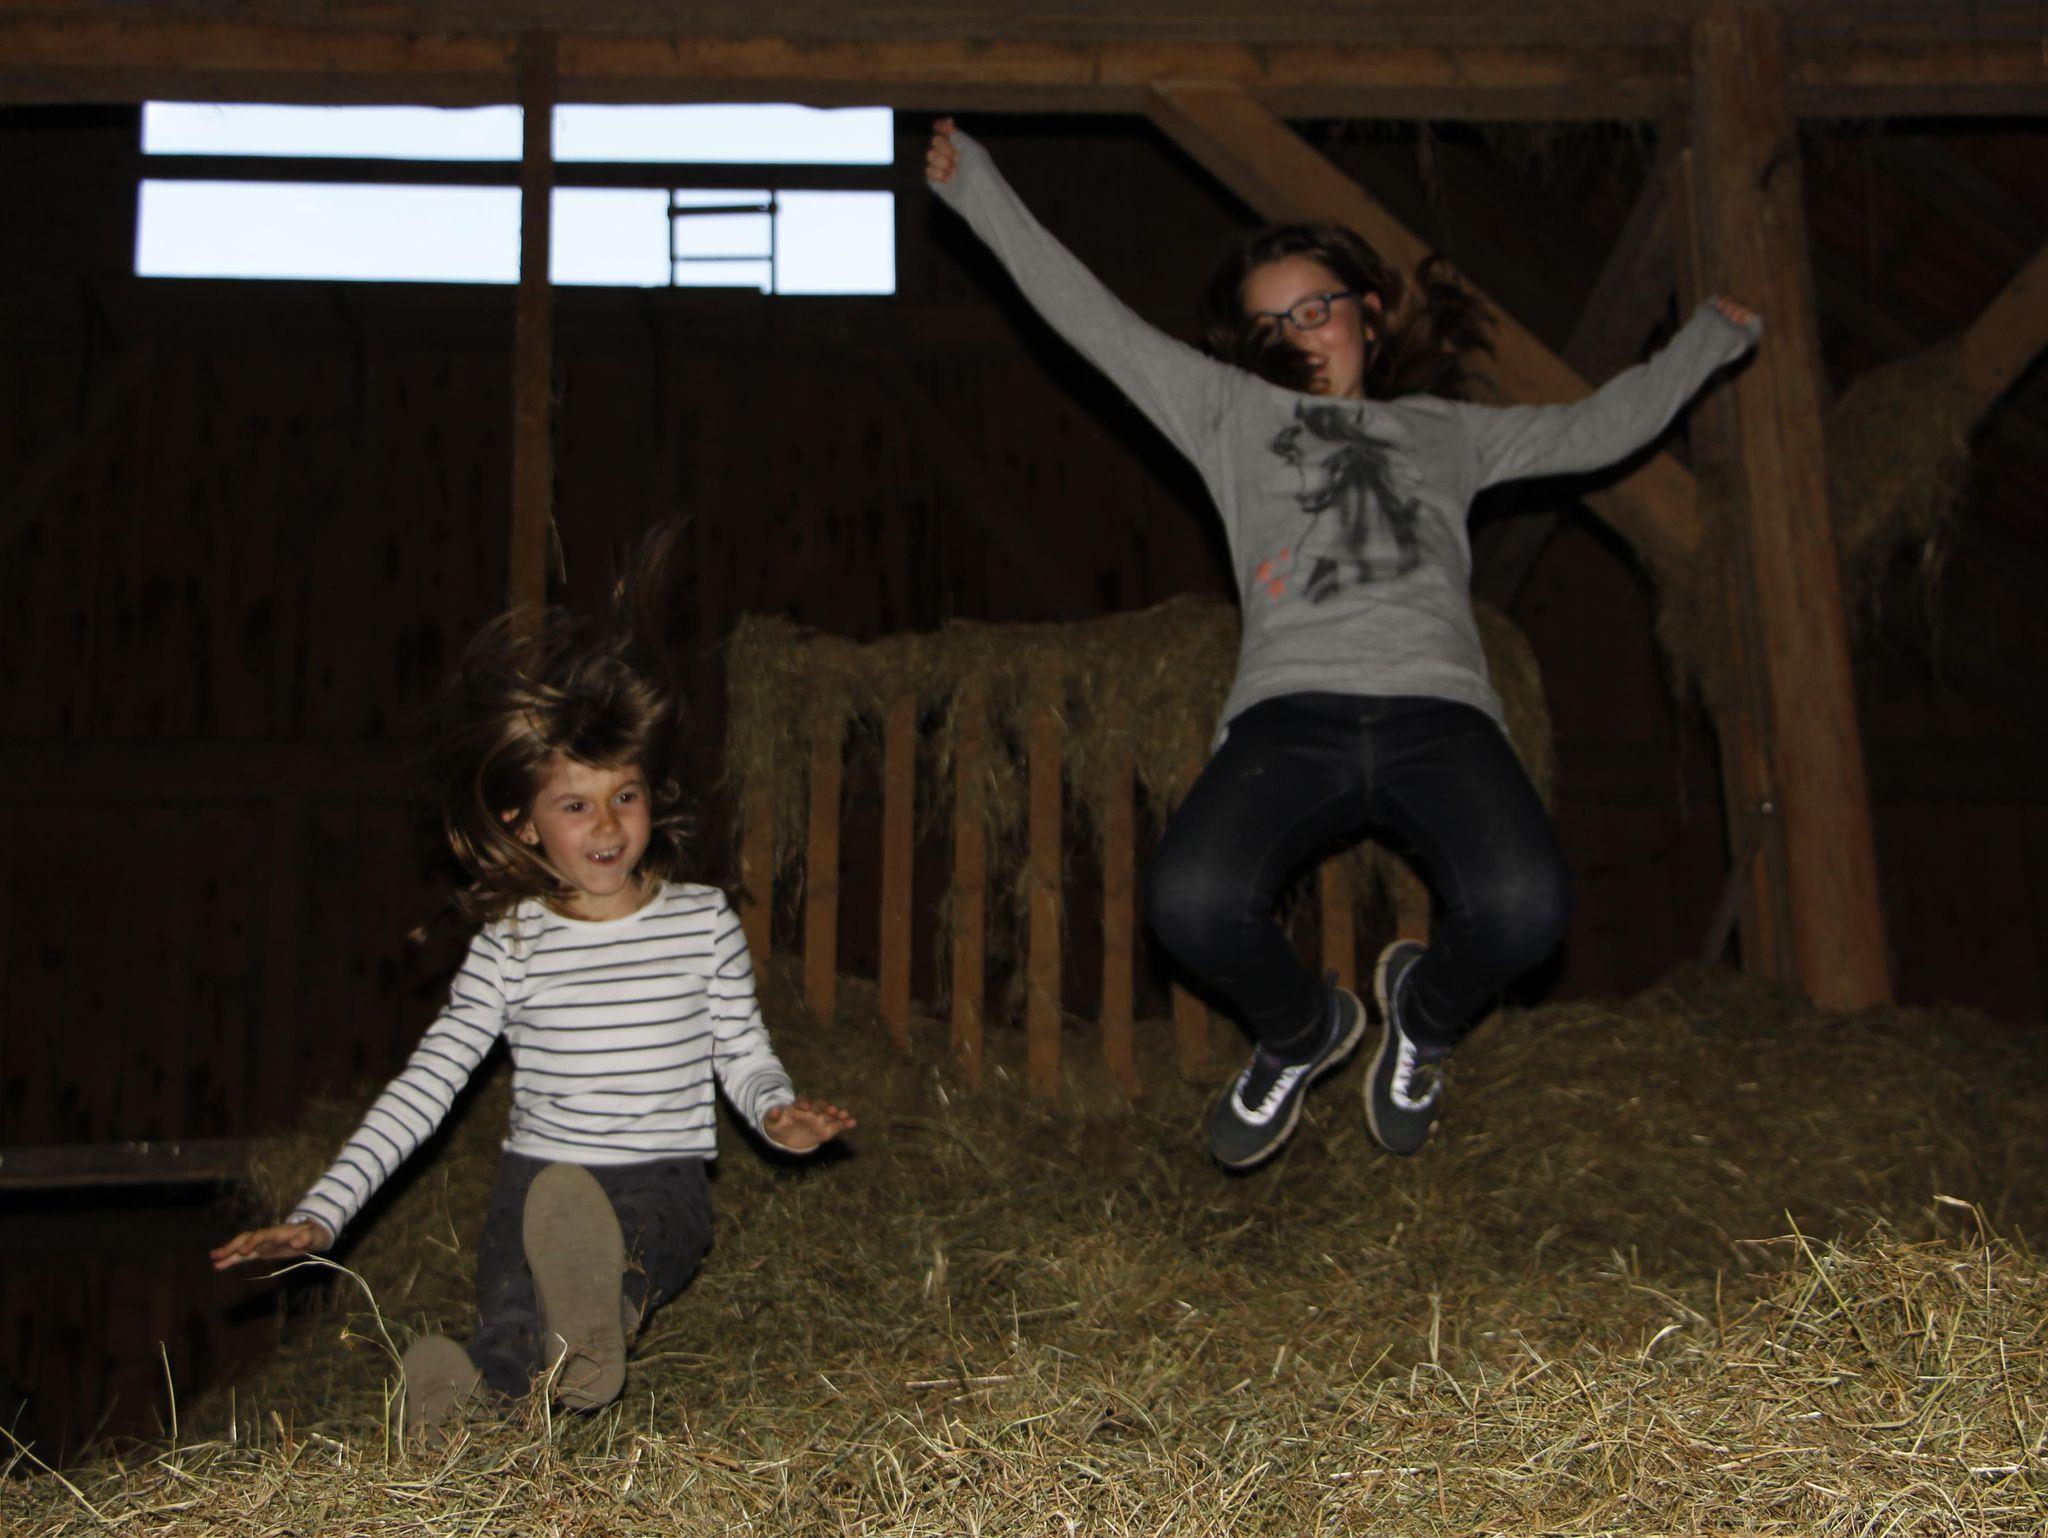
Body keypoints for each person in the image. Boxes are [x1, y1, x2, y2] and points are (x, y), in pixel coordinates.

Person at [926, 119, 1759, 1169]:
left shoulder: (1447, 432)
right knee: (1189, 901)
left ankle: (1424, 1014)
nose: (1299, 334)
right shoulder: (1227, 413)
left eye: (1315, 308)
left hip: (1441, 716)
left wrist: (1702, 344)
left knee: (1526, 907)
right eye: (1270, 322)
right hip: (1292, 714)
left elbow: (1593, 429)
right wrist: (980, 191)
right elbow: (1091, 320)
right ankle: (1301, 1029)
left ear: (1367, 311)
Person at [213, 606, 855, 1433]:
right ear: (524, 823)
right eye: (576, 804)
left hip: (659, 1178)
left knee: (617, 1251)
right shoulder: (510, 943)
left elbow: (742, 1052)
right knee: (514, 1318)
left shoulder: (701, 922)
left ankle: (596, 1322)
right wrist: (322, 1214)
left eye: (625, 795)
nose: (608, 823)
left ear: (650, 796)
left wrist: (777, 1114)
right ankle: (471, 1416)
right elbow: (426, 1087)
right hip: (535, 1184)